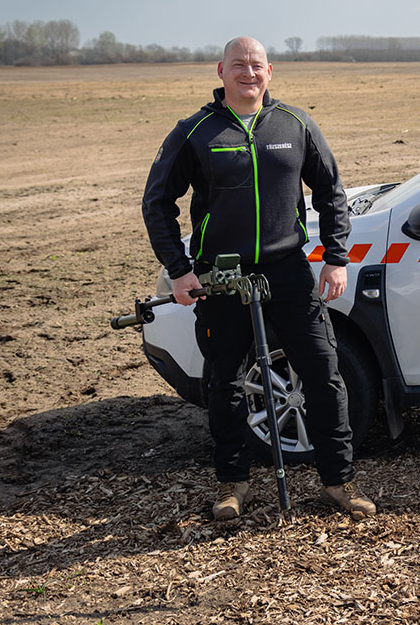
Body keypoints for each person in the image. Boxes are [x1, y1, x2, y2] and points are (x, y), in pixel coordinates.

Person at [142, 37, 375, 521]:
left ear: (270, 71)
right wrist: (180, 270)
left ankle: (339, 482)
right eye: (238, 65)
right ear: (221, 71)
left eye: (256, 65)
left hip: (287, 269)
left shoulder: (295, 124)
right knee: (224, 383)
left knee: (324, 372)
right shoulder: (195, 132)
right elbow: (157, 202)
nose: (248, 72)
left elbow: (331, 192)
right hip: (221, 276)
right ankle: (233, 485)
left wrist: (336, 258)